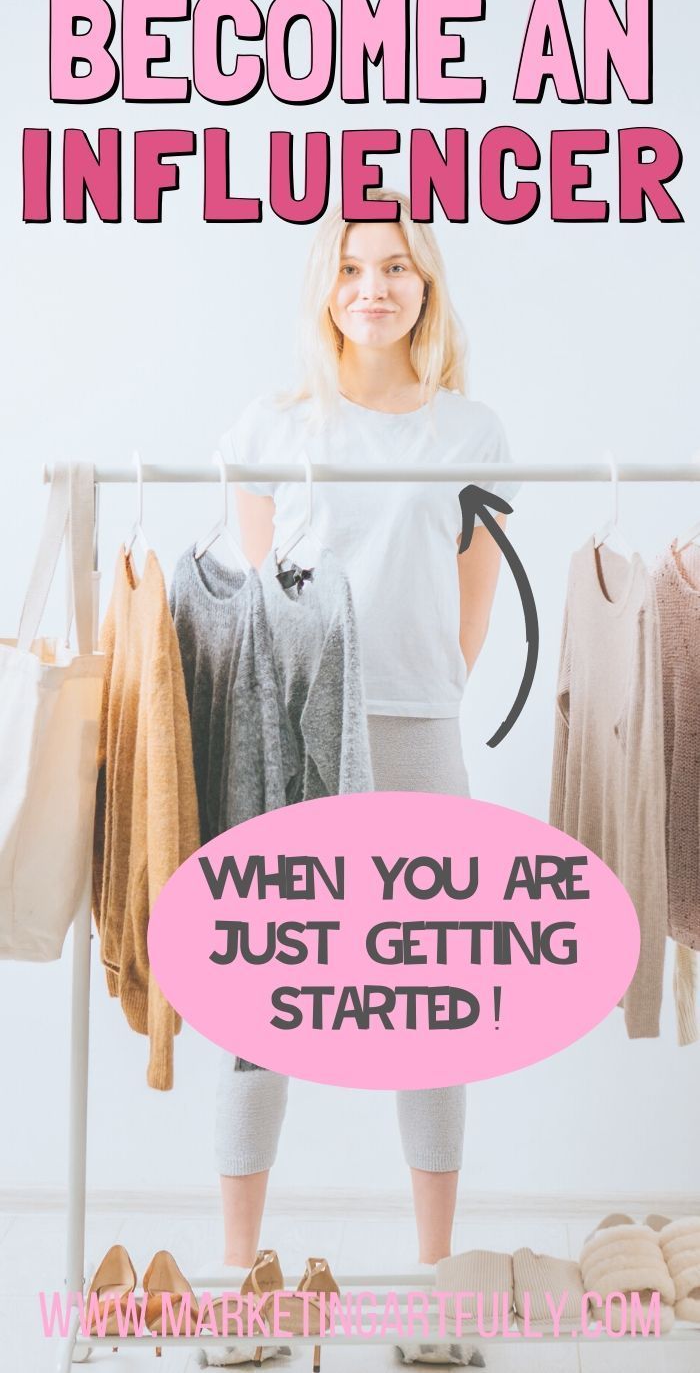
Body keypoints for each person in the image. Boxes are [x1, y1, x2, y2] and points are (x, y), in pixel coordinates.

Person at [217, 188, 519, 1274]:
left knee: (432, 994)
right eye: (352, 268)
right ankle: (239, 1263)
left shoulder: (469, 430)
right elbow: (259, 596)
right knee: (264, 990)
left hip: (417, 729)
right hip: (294, 739)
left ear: (424, 282)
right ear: (326, 286)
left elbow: (470, 603)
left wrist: (411, 692)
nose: (372, 287)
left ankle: (434, 1270)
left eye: (394, 266)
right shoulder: (272, 423)